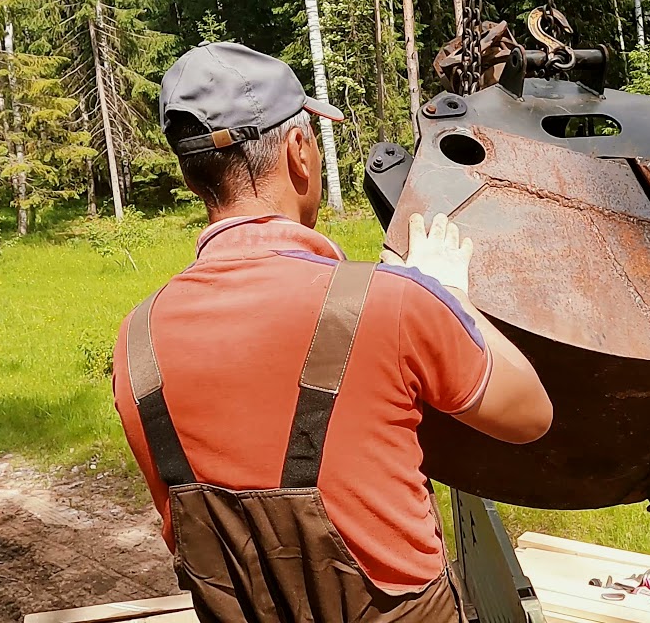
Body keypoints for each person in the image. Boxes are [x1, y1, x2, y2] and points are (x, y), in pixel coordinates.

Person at [111, 41, 553, 623]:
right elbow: (530, 416)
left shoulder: (135, 341)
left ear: (195, 177)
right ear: (299, 150)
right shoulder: (391, 304)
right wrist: (453, 297)